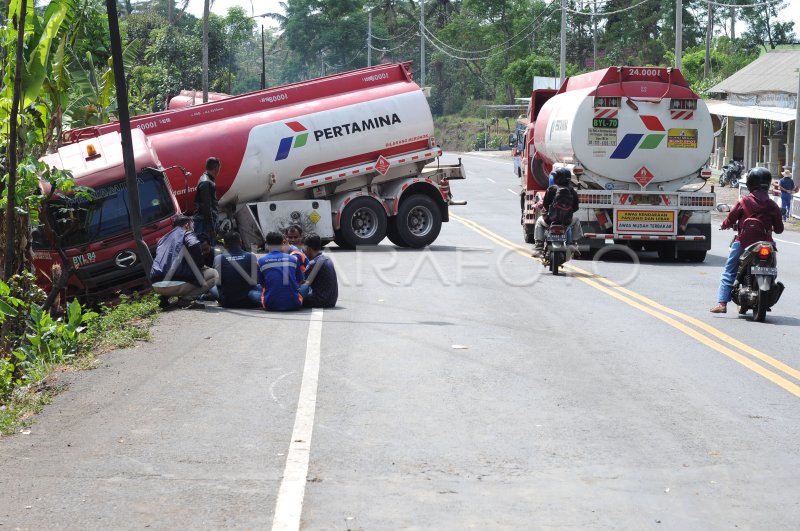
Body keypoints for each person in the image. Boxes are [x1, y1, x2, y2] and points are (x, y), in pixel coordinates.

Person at [710, 167, 784, 314]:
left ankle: (722, 303)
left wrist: (724, 225)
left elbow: (730, 219)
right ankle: (770, 289)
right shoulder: (773, 205)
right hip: (767, 244)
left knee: (729, 271)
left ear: (750, 183)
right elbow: (780, 229)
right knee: (772, 269)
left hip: (743, 242)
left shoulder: (743, 201)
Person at [150, 215, 218, 308]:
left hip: (156, 285)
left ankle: (164, 299)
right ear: (187, 225)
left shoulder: (163, 239)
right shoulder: (186, 233)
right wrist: (200, 265)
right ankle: (187, 300)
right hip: (175, 285)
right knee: (214, 274)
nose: (193, 229)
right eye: (192, 226)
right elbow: (194, 245)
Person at [248, 231, 304, 311]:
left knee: (251, 292)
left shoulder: (260, 261)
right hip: (294, 303)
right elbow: (300, 281)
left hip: (270, 305)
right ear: (282, 243)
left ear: (267, 244)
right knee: (305, 287)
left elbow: (263, 284)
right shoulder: (293, 259)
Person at [531, 167, 581, 257]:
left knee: (539, 221)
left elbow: (545, 205)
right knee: (576, 220)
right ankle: (573, 244)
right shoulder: (572, 190)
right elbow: (576, 207)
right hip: (566, 221)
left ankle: (539, 247)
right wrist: (568, 212)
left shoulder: (551, 189)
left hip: (550, 220)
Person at [210, 231, 260, 308]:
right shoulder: (251, 256)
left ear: (225, 245)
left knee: (212, 286)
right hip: (249, 300)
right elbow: (256, 280)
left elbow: (218, 282)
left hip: (227, 302)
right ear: (240, 242)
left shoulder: (218, 258)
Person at [300, 234, 338, 308]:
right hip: (332, 300)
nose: (303, 252)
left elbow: (301, 282)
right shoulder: (327, 258)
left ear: (308, 249)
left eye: (304, 249)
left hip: (320, 301)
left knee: (292, 297)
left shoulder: (313, 263)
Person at [194, 156, 221, 242]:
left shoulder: (204, 178)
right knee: (208, 251)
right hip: (204, 224)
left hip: (204, 221)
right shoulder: (207, 182)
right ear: (216, 168)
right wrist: (211, 228)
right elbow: (207, 207)